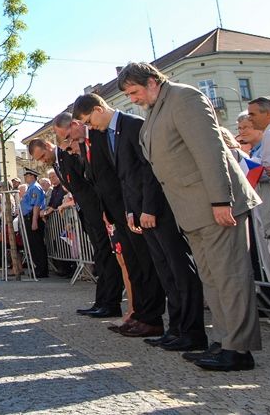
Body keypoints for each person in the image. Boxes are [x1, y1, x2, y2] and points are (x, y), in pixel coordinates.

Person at [119, 62, 262, 371]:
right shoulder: (157, 108)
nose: (132, 99)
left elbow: (210, 150)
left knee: (230, 277)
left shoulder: (184, 98)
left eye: (134, 91)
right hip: (192, 209)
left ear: (153, 82)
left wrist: (221, 199)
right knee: (212, 279)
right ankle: (223, 341)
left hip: (216, 205)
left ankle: (239, 350)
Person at [74, 93, 205, 349]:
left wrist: (147, 207)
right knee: (165, 272)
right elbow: (120, 177)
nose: (89, 128)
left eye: (89, 121)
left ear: (99, 109)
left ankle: (192, 331)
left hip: (157, 208)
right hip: (135, 211)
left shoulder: (133, 125)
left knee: (178, 269)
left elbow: (148, 170)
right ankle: (176, 328)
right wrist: (131, 210)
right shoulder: (105, 134)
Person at [28, 136, 123, 318]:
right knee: (99, 256)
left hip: (96, 211)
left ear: (48, 146)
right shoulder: (58, 162)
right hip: (86, 212)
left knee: (105, 256)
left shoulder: (68, 155)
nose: (43, 160)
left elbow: (89, 183)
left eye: (42, 156)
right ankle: (102, 301)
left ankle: (111, 303)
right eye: (39, 159)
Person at [19, 168, 49, 278]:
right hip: (29, 217)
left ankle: (42, 270)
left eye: (26, 176)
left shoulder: (35, 187)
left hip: (32, 217)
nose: (25, 177)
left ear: (32, 176)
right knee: (33, 245)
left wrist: (34, 221)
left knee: (37, 245)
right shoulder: (31, 188)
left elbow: (36, 205)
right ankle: (38, 268)